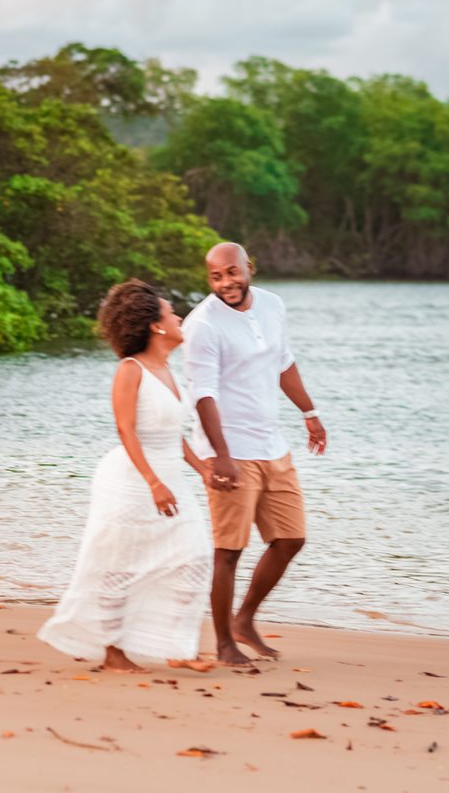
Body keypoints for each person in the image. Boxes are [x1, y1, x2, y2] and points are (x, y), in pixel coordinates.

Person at [38, 280, 215, 674]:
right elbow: (126, 430)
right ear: (155, 325)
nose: (179, 318)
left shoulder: (168, 369)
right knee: (118, 567)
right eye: (172, 313)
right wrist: (153, 482)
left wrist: (203, 469)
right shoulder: (130, 370)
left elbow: (171, 433)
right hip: (132, 480)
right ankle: (114, 653)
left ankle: (177, 647)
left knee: (194, 558)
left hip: (171, 478)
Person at [182, 243, 326, 668]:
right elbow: (202, 393)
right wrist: (220, 455)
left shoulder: (273, 305)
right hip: (231, 451)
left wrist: (310, 412)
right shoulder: (202, 325)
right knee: (229, 551)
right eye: (215, 277)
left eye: (232, 272)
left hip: (272, 444)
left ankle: (244, 620)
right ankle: (225, 643)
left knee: (290, 538)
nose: (226, 283)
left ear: (250, 268)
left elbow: (284, 362)